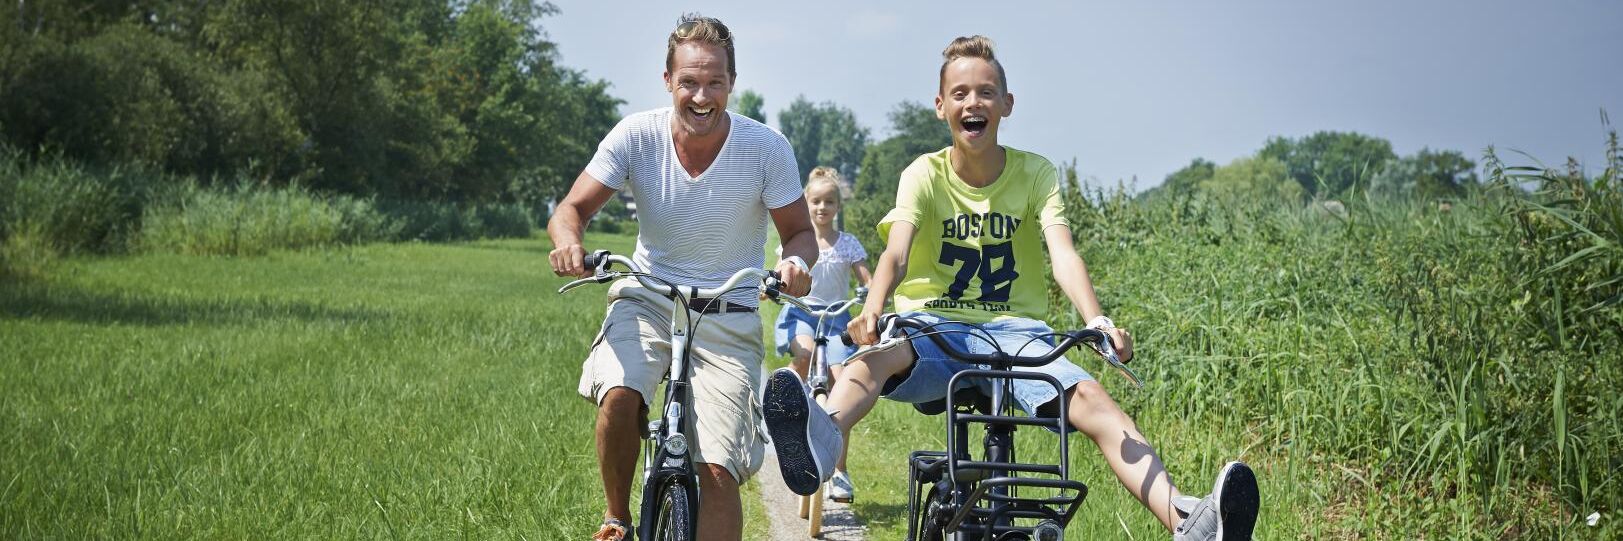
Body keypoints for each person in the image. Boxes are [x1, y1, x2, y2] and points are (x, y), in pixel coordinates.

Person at [762, 36, 1260, 540]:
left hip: (1016, 334)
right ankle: (820, 439)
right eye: (959, 93)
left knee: (1092, 399)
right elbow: (896, 252)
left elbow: (1062, 254)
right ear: (941, 106)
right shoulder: (924, 175)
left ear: (1007, 104)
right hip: (935, 327)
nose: (972, 103)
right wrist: (872, 309)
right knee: (872, 361)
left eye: (985, 92)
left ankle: (1188, 520)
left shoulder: (1035, 174)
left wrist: (1098, 321)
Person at [546, 14, 820, 541]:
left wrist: (796, 265)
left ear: (731, 84)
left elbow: (798, 233)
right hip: (649, 297)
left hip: (728, 309)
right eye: (689, 81)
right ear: (668, 80)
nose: (702, 95)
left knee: (717, 468)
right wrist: (569, 243)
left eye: (714, 82)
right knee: (621, 394)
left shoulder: (766, 148)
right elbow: (570, 209)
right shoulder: (636, 135)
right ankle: (617, 519)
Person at [771, 166, 871, 502]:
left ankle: (840, 473)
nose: (822, 208)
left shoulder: (848, 244)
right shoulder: (799, 244)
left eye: (829, 202)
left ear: (837, 207)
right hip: (803, 313)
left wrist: (872, 292)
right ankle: (784, 407)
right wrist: (770, 287)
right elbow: (780, 276)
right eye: (815, 202)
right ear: (806, 203)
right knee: (804, 354)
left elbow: (866, 279)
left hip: (838, 319)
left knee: (842, 382)